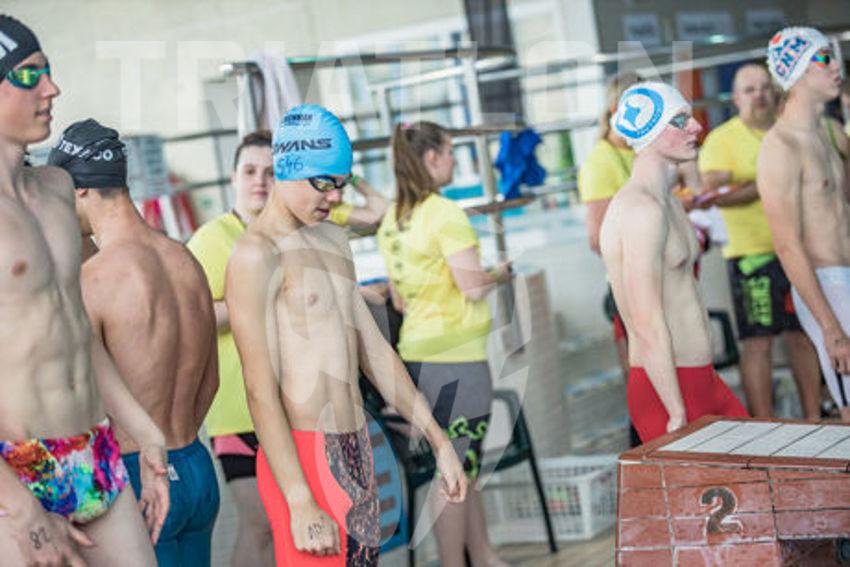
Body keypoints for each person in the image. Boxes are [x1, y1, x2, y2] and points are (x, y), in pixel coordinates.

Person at [226, 104, 467, 566]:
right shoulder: (256, 254)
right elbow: (259, 390)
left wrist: (439, 441)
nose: (335, 197)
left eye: (341, 183)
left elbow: (374, 351)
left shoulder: (333, 240)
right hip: (302, 456)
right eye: (324, 183)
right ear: (288, 168)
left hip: (355, 446)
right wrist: (299, 499)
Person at [0, 15, 167, 566]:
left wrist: (144, 430)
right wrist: (18, 504)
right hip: (13, 470)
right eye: (29, 75)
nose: (52, 88)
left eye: (48, 70)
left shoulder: (57, 189)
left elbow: (72, 327)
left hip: (92, 450)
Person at [49, 118, 221, 566]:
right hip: (196, 466)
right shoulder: (184, 258)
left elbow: (76, 396)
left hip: (138, 476)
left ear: (78, 190)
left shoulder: (94, 280)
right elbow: (211, 383)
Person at [377, 120, 511, 567]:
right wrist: (499, 273)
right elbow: (471, 287)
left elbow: (399, 299)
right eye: (451, 151)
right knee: (453, 470)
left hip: (419, 356)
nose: (455, 159)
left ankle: (484, 555)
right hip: (457, 361)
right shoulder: (444, 213)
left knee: (460, 463)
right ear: (432, 158)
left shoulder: (393, 220)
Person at [600, 81, 749, 443]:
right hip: (670, 391)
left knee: (761, 471)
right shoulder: (641, 210)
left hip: (703, 379)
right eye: (680, 120)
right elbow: (645, 323)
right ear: (649, 133)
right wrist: (675, 410)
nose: (696, 126)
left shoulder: (668, 201)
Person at [699, 63, 821, 419]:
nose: (760, 95)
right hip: (752, 259)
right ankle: (764, 427)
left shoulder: (791, 131)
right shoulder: (722, 140)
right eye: (750, 90)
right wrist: (770, 182)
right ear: (736, 98)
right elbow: (715, 194)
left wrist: (752, 184)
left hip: (800, 252)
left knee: (804, 337)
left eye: (766, 87)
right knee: (757, 343)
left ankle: (814, 418)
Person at [187, 130, 275, 566]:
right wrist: (258, 299)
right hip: (237, 414)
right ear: (233, 178)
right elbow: (194, 317)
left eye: (270, 172)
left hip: (289, 408)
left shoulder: (290, 235)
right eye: (250, 171)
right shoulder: (211, 239)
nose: (260, 180)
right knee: (260, 524)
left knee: (287, 526)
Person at [758, 27, 850, 420]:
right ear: (795, 73)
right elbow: (787, 245)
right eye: (823, 59)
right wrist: (831, 328)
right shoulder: (780, 147)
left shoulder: (827, 132)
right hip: (830, 287)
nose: (836, 67)